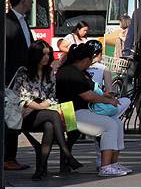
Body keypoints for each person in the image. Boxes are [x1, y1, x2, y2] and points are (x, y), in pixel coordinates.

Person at [8, 40, 83, 180]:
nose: (47, 57)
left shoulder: (49, 73)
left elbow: (53, 97)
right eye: (43, 55)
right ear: (35, 55)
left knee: (50, 125)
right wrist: (40, 106)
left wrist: (45, 105)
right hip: (25, 115)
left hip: (45, 115)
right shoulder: (23, 72)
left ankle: (40, 169)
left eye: (49, 54)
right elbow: (19, 97)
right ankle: (67, 153)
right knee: (53, 115)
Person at [55, 44, 129, 177]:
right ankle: (105, 166)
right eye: (89, 61)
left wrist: (104, 96)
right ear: (85, 60)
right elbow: (87, 95)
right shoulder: (70, 72)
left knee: (117, 123)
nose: (90, 65)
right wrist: (107, 100)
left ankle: (113, 163)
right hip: (71, 113)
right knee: (110, 125)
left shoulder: (79, 72)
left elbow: (90, 91)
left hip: (83, 111)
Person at [5, 0, 35, 171]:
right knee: (11, 115)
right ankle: (8, 157)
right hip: (11, 79)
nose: (32, 2)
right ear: (24, 1)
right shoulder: (7, 23)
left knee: (15, 115)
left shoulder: (23, 21)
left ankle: (11, 156)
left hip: (23, 78)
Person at [85, 40, 131, 118]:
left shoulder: (80, 67)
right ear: (100, 54)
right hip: (95, 105)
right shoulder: (104, 68)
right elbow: (109, 91)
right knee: (126, 100)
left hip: (80, 105)